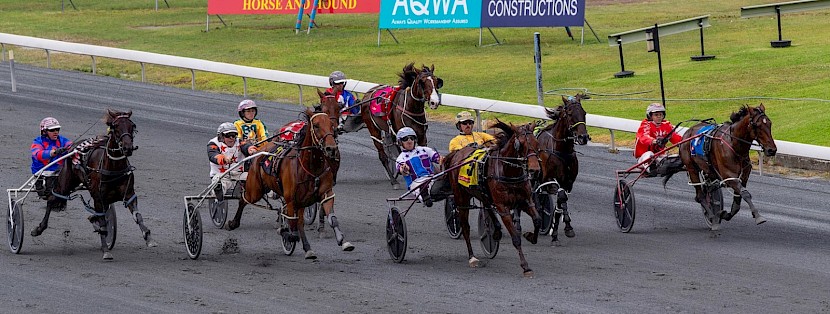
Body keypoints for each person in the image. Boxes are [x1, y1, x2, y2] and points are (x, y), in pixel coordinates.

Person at [395, 127, 441, 207]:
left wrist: (442, 160)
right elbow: (402, 170)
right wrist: (404, 169)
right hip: (416, 183)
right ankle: (424, 197)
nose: (409, 141)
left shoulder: (425, 150)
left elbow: (438, 159)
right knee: (420, 188)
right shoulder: (400, 158)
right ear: (400, 142)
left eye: (411, 138)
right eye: (405, 139)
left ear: (415, 140)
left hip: (432, 178)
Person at [635, 103, 683, 175]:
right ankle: (651, 168)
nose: (659, 117)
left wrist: (685, 143)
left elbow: (675, 137)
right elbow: (643, 137)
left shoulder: (666, 125)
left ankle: (664, 167)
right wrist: (654, 141)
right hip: (643, 158)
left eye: (661, 115)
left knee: (678, 157)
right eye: (656, 115)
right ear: (650, 116)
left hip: (660, 156)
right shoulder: (645, 124)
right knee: (649, 154)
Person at [31, 117, 73, 198]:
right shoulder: (37, 142)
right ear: (44, 131)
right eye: (52, 130)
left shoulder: (62, 140)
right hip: (42, 173)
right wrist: (53, 152)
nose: (56, 132)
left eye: (57, 130)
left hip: (60, 172)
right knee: (48, 193)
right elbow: (37, 154)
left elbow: (71, 145)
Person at [208, 122, 245, 201]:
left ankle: (272, 193)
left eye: (234, 135)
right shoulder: (213, 144)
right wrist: (223, 159)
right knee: (218, 182)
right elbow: (212, 155)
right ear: (221, 136)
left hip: (239, 176)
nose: (232, 138)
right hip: (222, 176)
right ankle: (218, 192)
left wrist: (251, 149)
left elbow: (247, 146)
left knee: (251, 177)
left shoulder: (240, 142)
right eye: (228, 135)